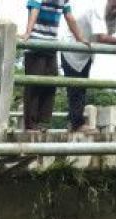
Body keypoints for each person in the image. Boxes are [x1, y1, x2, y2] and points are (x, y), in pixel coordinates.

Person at [61, 0, 116, 132]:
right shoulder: (97, 10)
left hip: (87, 53)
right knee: (75, 88)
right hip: (71, 50)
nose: (115, 11)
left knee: (82, 87)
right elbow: (101, 38)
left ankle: (73, 122)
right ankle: (77, 124)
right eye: (114, 7)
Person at [22, 0, 86, 132]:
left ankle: (44, 123)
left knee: (50, 84)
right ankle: (31, 125)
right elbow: (34, 10)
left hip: (51, 44)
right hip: (35, 43)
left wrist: (80, 38)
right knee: (34, 85)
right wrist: (28, 33)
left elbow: (69, 16)